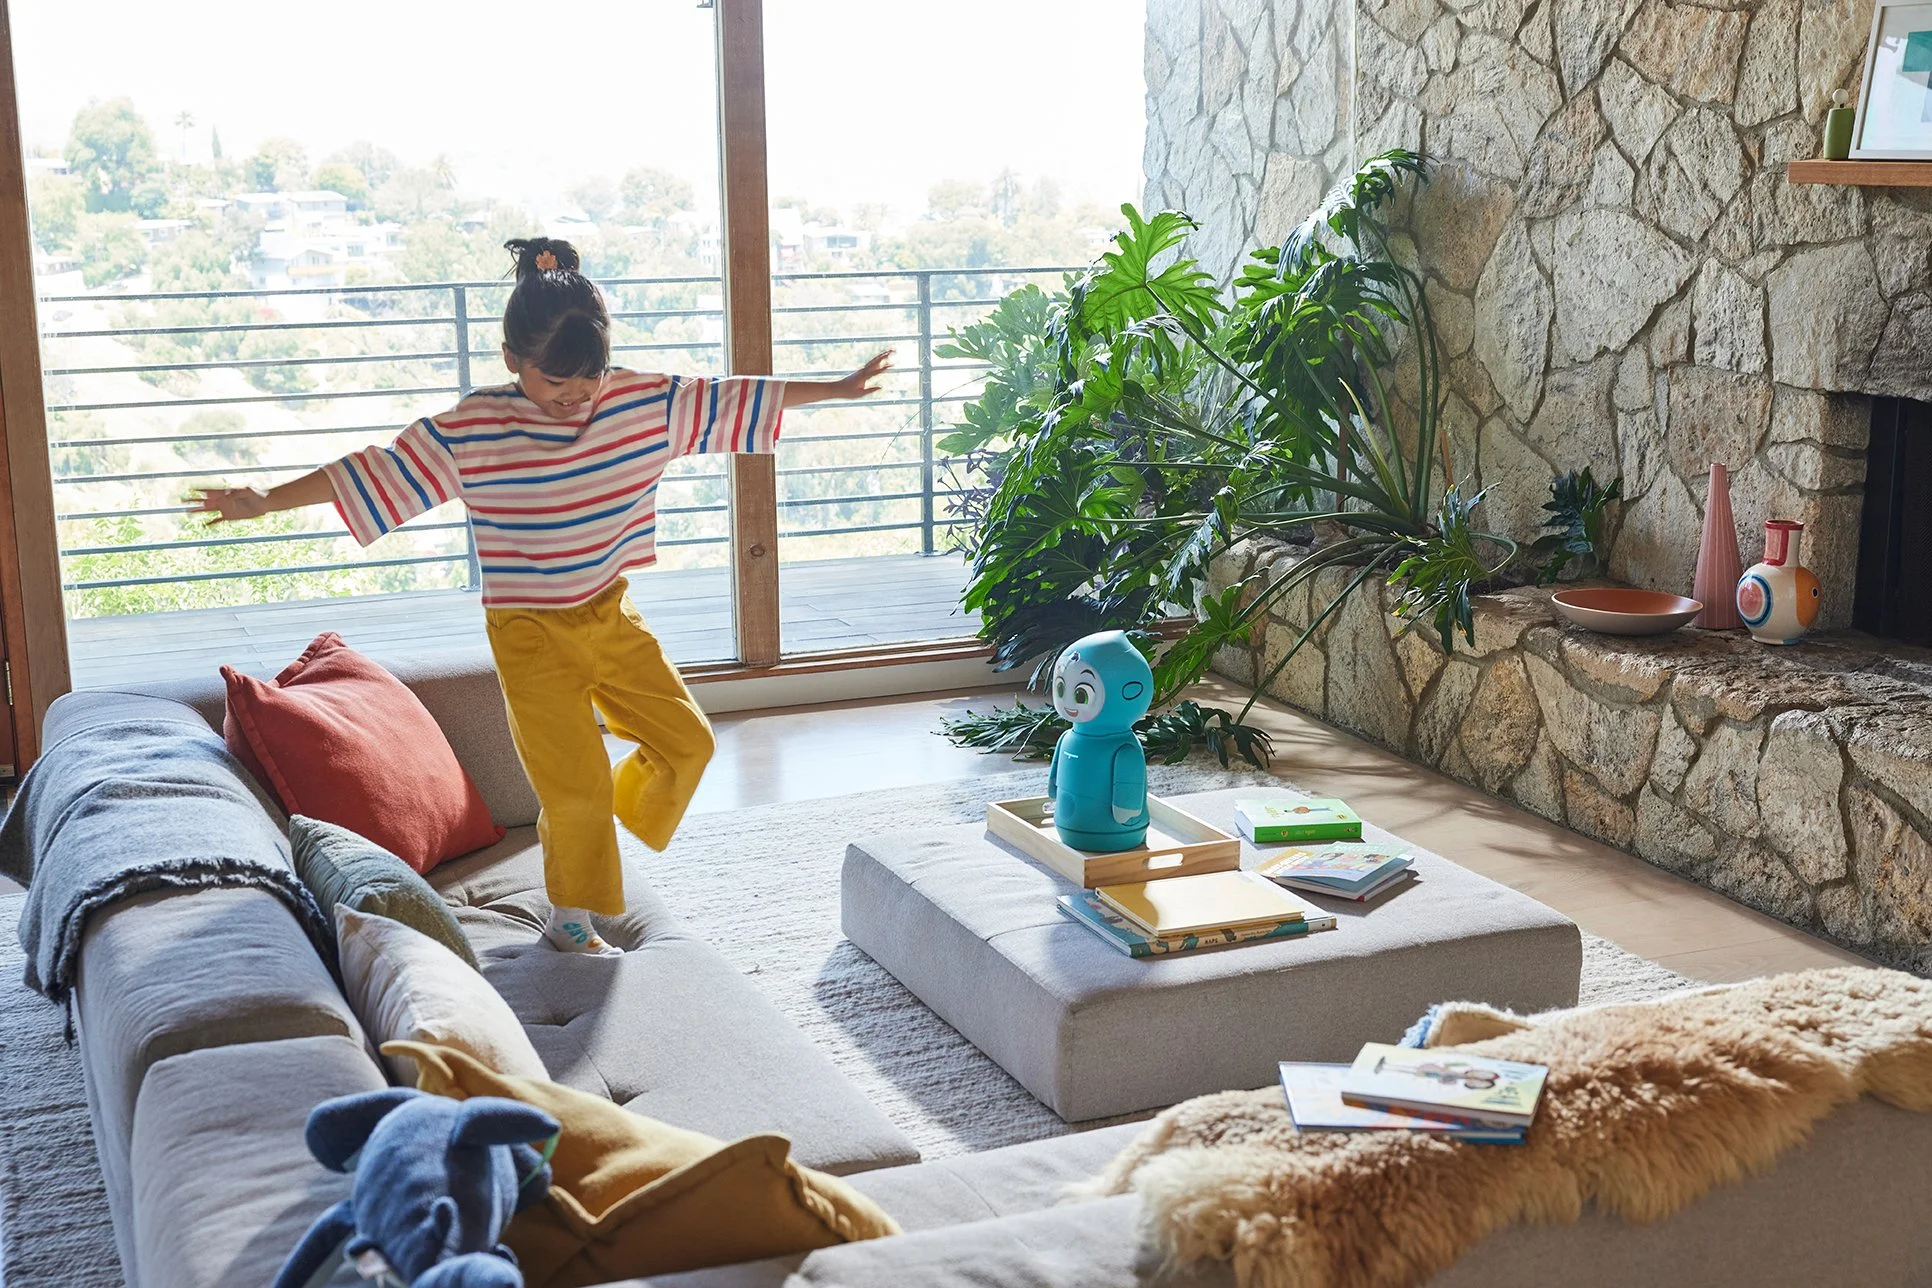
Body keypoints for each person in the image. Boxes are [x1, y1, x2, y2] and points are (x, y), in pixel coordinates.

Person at [193, 237, 891, 956]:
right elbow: (374, 469)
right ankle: (571, 918)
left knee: (687, 744)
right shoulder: (474, 429)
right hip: (528, 636)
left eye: (586, 385)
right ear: (510, 360)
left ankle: (590, 817)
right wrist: (267, 501)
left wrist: (832, 390)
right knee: (575, 794)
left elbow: (735, 397)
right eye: (554, 386)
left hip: (610, 617)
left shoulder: (641, 403)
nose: (572, 402)